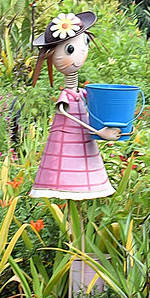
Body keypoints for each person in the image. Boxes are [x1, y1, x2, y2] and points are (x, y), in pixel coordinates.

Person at [29, 11, 119, 200]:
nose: (82, 51)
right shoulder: (67, 97)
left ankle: (73, 215)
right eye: (70, 49)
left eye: (85, 42)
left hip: (83, 144)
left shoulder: (81, 93)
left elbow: (95, 106)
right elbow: (65, 113)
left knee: (84, 175)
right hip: (67, 142)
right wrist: (99, 132)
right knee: (66, 175)